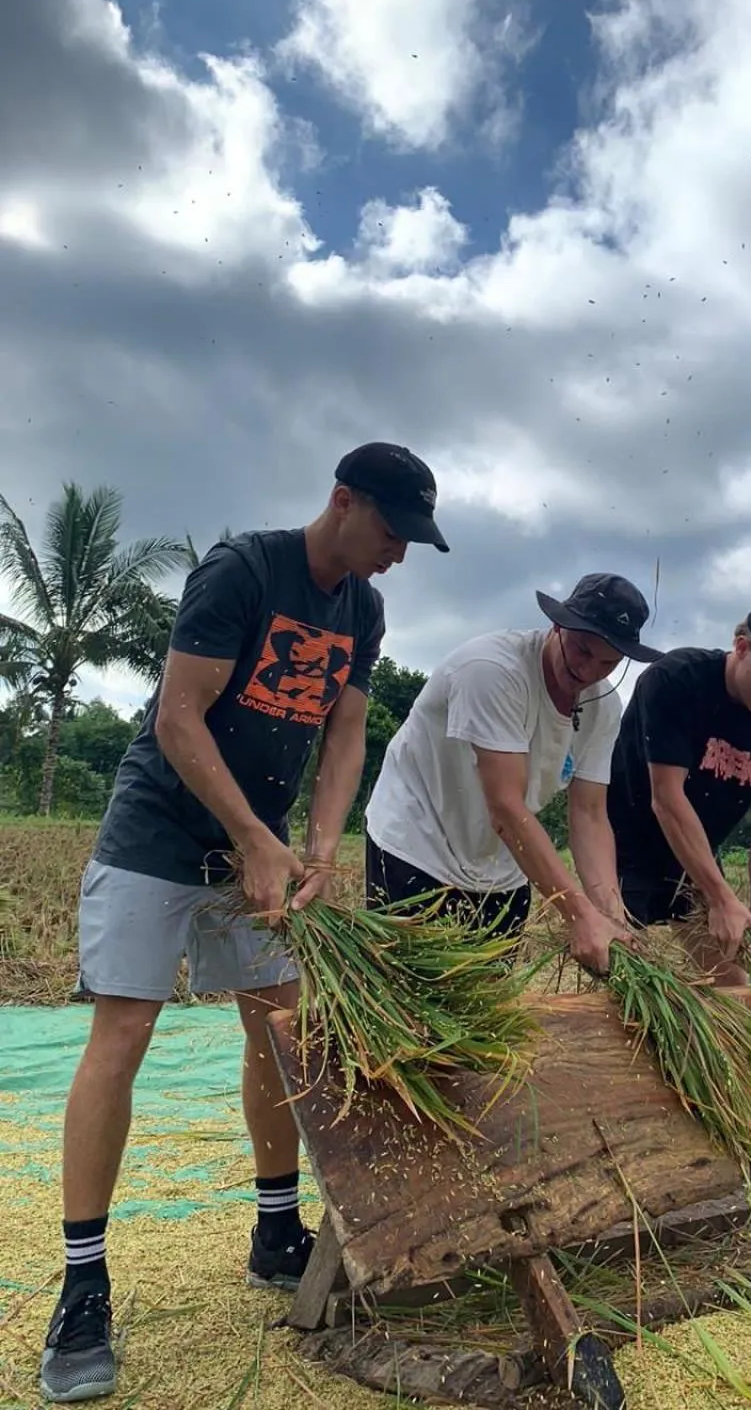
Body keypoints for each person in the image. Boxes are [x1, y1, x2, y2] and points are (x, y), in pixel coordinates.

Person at [40, 442, 448, 1405]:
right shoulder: (244, 570)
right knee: (124, 1032)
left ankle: (274, 1230)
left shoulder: (363, 610)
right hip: (159, 831)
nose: (398, 552)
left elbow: (345, 732)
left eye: (411, 540)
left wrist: (319, 849)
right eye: (391, 530)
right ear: (342, 500)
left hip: (257, 840)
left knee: (278, 1025)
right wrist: (254, 838)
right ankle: (83, 1285)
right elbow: (179, 718)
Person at [363, 573, 662, 975]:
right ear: (559, 625)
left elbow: (590, 814)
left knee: (489, 999)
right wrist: (578, 914)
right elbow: (505, 808)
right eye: (582, 649)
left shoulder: (603, 707)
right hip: (419, 843)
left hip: (502, 866)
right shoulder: (492, 671)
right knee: (406, 993)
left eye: (607, 662)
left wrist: (610, 916)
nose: (588, 669)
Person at [607, 599, 751, 985]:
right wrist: (721, 897)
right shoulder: (676, 680)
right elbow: (667, 799)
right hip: (626, 844)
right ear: (741, 647)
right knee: (625, 981)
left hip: (696, 853)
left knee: (732, 982)